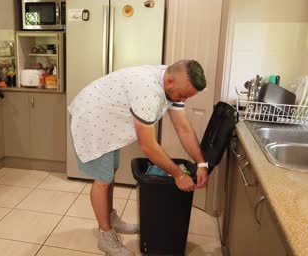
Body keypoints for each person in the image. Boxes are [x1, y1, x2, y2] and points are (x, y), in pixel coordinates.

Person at [68, 60, 209, 256]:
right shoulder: (148, 91)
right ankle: (105, 236)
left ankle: (111, 219)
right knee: (102, 180)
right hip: (93, 118)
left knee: (110, 173)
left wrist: (202, 163)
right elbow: (149, 146)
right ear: (169, 82)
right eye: (183, 95)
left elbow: (184, 129)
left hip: (108, 119)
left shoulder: (172, 84)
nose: (183, 100)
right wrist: (178, 175)